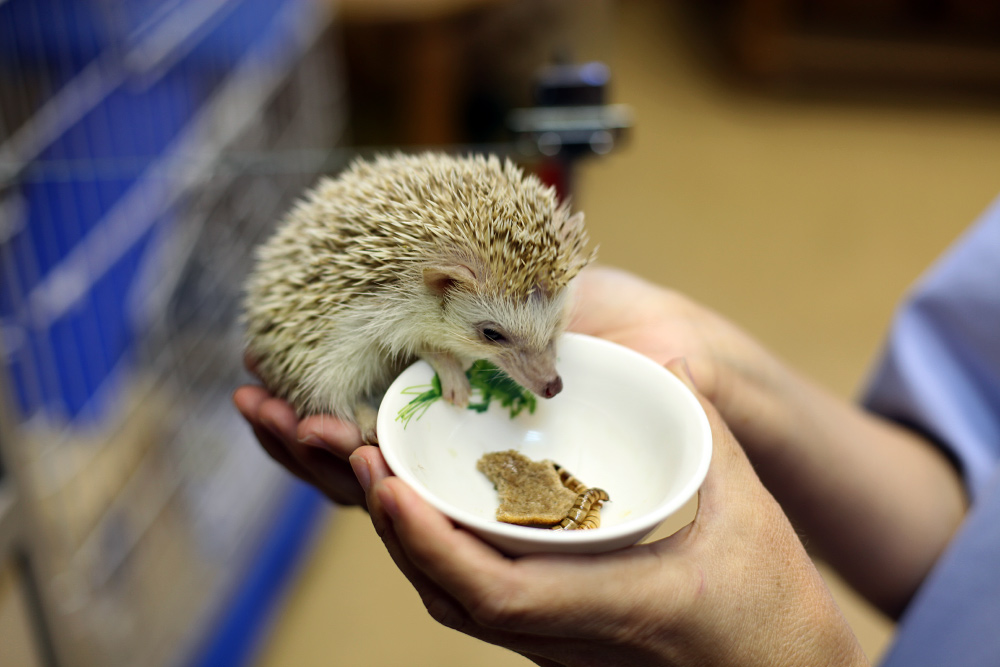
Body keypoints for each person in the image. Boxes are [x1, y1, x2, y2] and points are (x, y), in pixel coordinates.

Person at [233, 196, 1000, 666]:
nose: (545, 374)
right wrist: (717, 360)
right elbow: (972, 521)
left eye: (550, 333)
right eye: (502, 338)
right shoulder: (403, 297)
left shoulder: (474, 312)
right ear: (437, 292)